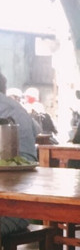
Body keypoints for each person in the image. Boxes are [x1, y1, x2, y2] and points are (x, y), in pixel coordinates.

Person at [0, 71, 40, 234]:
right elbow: (37, 130)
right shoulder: (16, 108)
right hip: (23, 203)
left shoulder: (8, 109)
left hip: (12, 208)